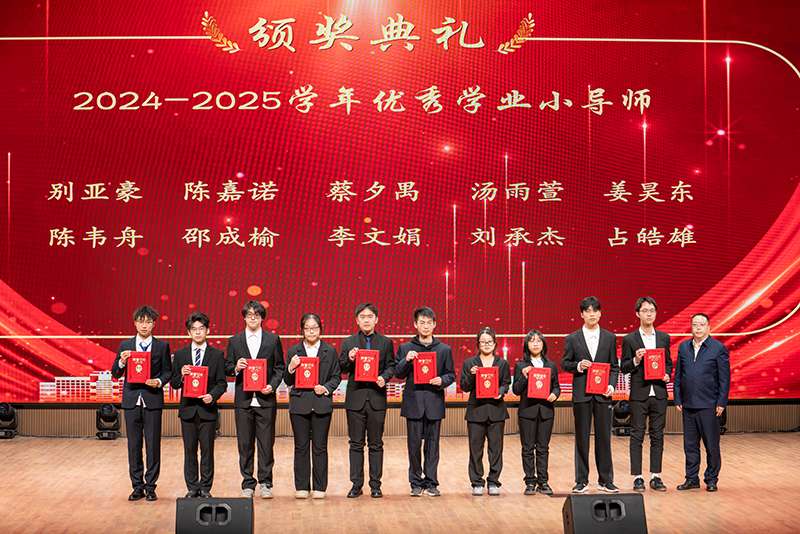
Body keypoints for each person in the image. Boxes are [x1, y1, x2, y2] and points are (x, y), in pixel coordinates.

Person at [110, 305, 172, 502]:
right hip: (131, 401)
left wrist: (159, 381)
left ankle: (151, 486)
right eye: (140, 321)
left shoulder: (162, 346)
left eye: (148, 322)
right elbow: (115, 373)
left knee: (153, 445)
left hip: (152, 400)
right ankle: (137, 486)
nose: (144, 325)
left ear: (154, 324)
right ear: (135, 323)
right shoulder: (125, 345)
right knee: (134, 445)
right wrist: (121, 361)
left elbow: (168, 371)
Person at [225, 301, 285, 499]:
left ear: (262, 318)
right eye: (249, 314)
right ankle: (247, 483)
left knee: (266, 444)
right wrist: (236, 368)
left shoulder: (273, 340)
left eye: (256, 314)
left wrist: (272, 386)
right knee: (245, 444)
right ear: (244, 317)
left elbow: (280, 368)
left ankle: (265, 483)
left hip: (265, 401)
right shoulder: (235, 341)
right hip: (243, 402)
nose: (253, 317)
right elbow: (227, 367)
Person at [395, 306, 456, 497]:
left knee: (433, 445)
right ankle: (415, 482)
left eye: (429, 322)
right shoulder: (406, 348)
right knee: (413, 446)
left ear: (435, 324)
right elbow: (398, 374)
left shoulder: (444, 349)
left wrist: (442, 381)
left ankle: (431, 482)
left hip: (434, 402)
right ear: (415, 325)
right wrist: (406, 360)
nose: (426, 326)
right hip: (413, 403)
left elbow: (451, 374)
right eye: (422, 322)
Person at [561, 296, 620, 493]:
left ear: (600, 313)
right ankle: (581, 480)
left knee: (604, 438)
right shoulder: (572, 338)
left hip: (603, 395)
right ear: (582, 314)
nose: (592, 314)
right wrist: (578, 366)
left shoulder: (610, 337)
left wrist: (612, 385)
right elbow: (565, 364)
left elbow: (614, 366)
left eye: (595, 310)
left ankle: (605, 480)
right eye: (588, 311)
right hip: (582, 396)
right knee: (582, 438)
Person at [339, 303, 396, 499]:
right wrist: (350, 358)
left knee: (376, 444)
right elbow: (342, 368)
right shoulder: (349, 342)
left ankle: (375, 485)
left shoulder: (386, 342)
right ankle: (356, 484)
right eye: (362, 316)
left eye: (370, 316)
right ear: (357, 320)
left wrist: (384, 377)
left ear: (376, 319)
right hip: (355, 399)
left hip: (377, 398)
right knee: (356, 444)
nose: (366, 320)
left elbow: (391, 366)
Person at [285, 313, 342, 499]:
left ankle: (320, 487)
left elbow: (336, 376)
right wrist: (291, 367)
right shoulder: (293, 351)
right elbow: (287, 380)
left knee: (320, 447)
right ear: (302, 330)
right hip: (299, 405)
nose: (311, 331)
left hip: (321, 404)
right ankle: (302, 487)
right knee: (301, 446)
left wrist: (325, 388)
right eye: (307, 328)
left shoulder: (330, 350)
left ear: (320, 329)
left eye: (314, 328)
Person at [170, 312, 227, 498]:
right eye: (193, 329)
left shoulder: (217, 355)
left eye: (201, 328)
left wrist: (212, 396)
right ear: (188, 332)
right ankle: (192, 487)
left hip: (207, 410)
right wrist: (181, 375)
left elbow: (222, 383)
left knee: (207, 451)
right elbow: (174, 383)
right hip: (188, 410)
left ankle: (205, 487)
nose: (197, 332)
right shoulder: (180, 355)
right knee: (189, 450)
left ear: (207, 331)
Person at [620, 297, 672, 492]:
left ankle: (655, 476)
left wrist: (667, 374)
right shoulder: (630, 339)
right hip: (639, 394)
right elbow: (624, 367)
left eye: (652, 310)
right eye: (645, 310)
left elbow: (668, 362)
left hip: (659, 393)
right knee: (637, 435)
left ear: (656, 313)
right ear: (637, 314)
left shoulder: (664, 337)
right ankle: (638, 477)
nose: (649, 314)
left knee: (658, 435)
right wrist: (635, 360)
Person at [673, 313, 730, 492]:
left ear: (708, 327)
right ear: (691, 327)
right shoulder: (683, 347)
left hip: (709, 405)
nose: (698, 327)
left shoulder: (718, 348)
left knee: (711, 445)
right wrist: (677, 397)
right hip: (688, 405)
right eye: (695, 324)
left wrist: (721, 402)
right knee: (690, 446)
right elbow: (678, 375)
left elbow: (724, 379)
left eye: (702, 324)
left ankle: (711, 479)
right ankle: (691, 479)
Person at [460, 327, 511, 496]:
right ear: (478, 344)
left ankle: (494, 482)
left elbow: (506, 383)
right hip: (476, 411)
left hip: (496, 411)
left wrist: (501, 392)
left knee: (496, 449)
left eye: (490, 342)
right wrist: (471, 375)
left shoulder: (502, 363)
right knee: (475, 449)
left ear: (495, 344)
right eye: (483, 342)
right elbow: (464, 387)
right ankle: (477, 482)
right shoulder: (469, 363)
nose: (487, 345)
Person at [512, 330, 560, 495]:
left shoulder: (551, 365)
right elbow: (516, 390)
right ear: (526, 344)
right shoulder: (520, 365)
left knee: (543, 448)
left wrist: (555, 394)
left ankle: (543, 481)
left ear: (543, 344)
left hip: (546, 411)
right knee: (527, 448)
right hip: (527, 412)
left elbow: (556, 387)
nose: (535, 343)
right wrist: (524, 376)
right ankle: (530, 482)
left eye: (538, 340)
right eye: (532, 340)